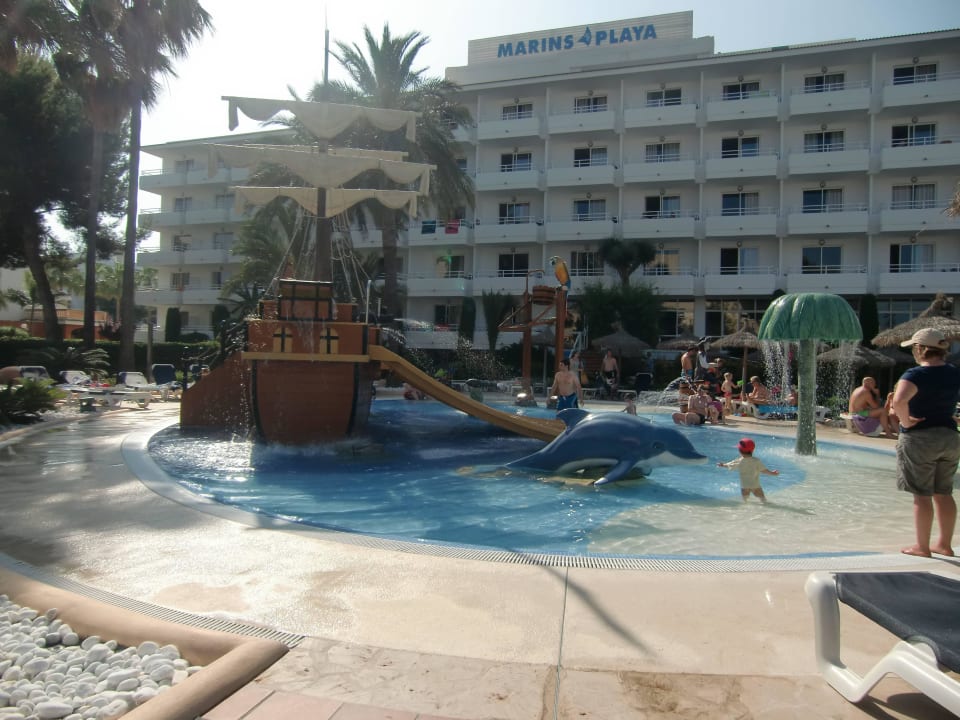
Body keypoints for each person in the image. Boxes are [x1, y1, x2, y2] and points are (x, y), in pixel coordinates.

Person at [889, 328, 960, 558]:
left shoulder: (915, 374)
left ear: (920, 349)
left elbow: (899, 401)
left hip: (920, 437)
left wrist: (906, 422)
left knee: (922, 494)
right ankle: (945, 545)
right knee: (944, 492)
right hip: (949, 436)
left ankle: (922, 547)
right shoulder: (954, 373)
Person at [717, 437, 779, 503]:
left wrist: (723, 465)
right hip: (755, 486)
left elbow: (730, 465)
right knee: (763, 499)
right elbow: (763, 470)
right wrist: (772, 473)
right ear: (752, 450)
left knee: (745, 501)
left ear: (740, 451)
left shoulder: (739, 461)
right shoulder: (756, 461)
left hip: (745, 486)